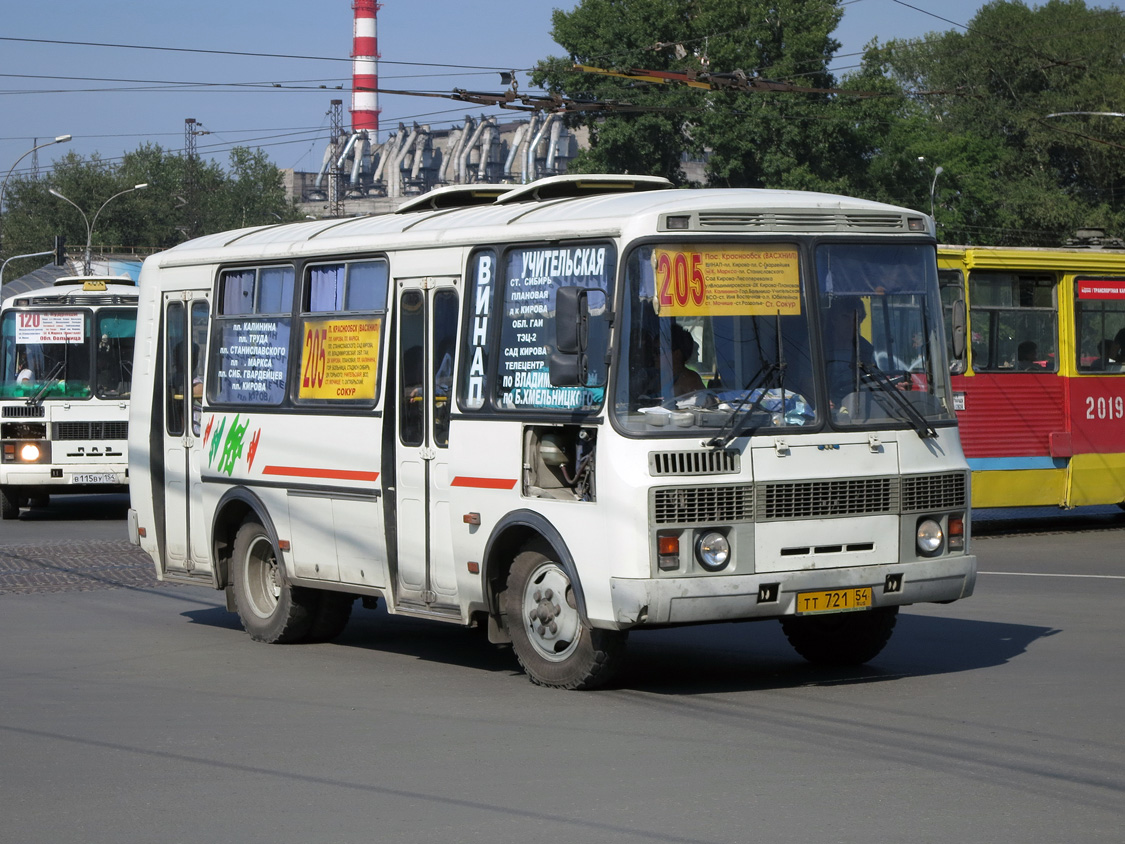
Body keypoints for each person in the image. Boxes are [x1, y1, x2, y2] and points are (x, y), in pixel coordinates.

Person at [823, 296, 875, 406]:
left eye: (857, 318)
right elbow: (807, 381)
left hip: (858, 408)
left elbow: (875, 380)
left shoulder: (865, 349)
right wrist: (821, 401)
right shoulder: (818, 345)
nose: (852, 324)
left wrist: (893, 388)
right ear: (834, 319)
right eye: (846, 318)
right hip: (825, 412)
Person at [669, 323, 704, 396]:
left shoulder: (689, 379)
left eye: (658, 351)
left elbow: (704, 402)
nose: (653, 355)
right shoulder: (657, 378)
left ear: (677, 354)